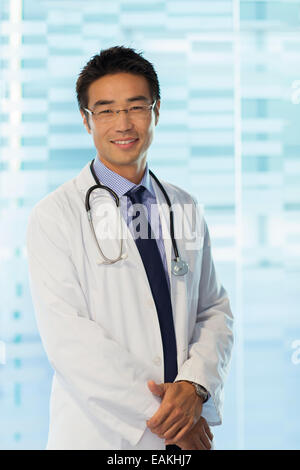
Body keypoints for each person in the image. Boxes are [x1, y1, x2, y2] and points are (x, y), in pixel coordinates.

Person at [26, 46, 234, 451]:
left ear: (156, 111)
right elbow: (69, 342)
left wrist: (195, 385)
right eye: (105, 110)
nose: (123, 123)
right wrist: (173, 420)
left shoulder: (183, 206)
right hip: (102, 435)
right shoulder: (55, 216)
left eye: (136, 107)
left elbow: (213, 310)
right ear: (87, 121)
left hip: (181, 437)